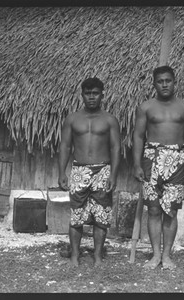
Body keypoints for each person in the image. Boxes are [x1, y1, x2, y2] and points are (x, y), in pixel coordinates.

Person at [132, 65, 184, 270]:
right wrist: (136, 164)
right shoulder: (146, 107)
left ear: (174, 81)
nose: (164, 84)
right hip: (151, 157)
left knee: (171, 211)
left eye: (168, 80)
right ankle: (156, 255)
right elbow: (138, 136)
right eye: (160, 81)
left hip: (177, 159)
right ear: (154, 84)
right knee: (153, 209)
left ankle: (167, 256)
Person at [58, 77, 121, 267]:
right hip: (79, 170)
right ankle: (75, 256)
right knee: (77, 215)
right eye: (88, 93)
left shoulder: (110, 120)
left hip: (103, 169)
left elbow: (116, 148)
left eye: (95, 93)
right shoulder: (73, 118)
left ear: (102, 94)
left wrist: (113, 174)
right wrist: (62, 172)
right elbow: (65, 146)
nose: (91, 97)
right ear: (82, 95)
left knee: (101, 216)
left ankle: (98, 256)